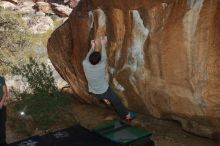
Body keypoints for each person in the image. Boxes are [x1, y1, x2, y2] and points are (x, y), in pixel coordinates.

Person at [82, 36, 136, 121]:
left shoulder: (85, 64)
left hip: (92, 91)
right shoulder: (101, 65)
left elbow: (89, 56)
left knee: (102, 94)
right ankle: (127, 115)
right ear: (99, 61)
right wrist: (103, 44)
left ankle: (105, 99)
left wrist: (92, 47)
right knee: (116, 101)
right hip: (104, 91)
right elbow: (104, 56)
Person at [0, 76, 8, 146]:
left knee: (2, 125)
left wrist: (1, 103)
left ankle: (3, 142)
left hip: (1, 104)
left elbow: (5, 92)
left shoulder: (1, 79)